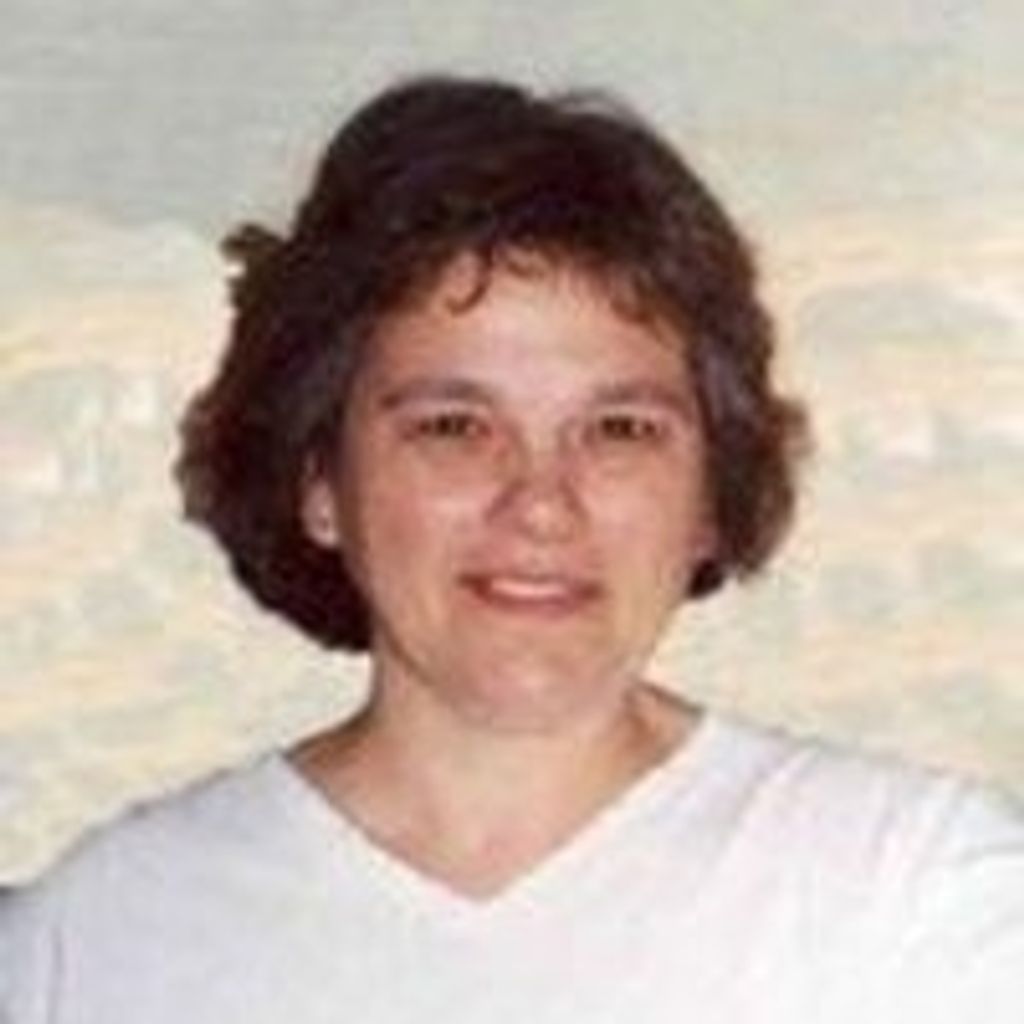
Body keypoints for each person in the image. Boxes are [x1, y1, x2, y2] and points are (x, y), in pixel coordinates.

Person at [1, 74, 1022, 1023]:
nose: (541, 503)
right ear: (320, 482)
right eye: (453, 425)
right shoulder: (100, 940)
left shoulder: (921, 900)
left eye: (618, 429)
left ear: (711, 496)